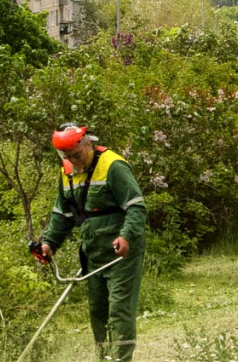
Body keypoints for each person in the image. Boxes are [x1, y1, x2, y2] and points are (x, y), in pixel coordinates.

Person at [40, 124, 147, 362]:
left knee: (119, 310)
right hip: (93, 254)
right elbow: (62, 214)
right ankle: (104, 358)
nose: (73, 161)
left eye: (76, 155)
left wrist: (126, 235)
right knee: (98, 312)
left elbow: (136, 207)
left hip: (121, 253)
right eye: (66, 156)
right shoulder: (67, 171)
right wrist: (49, 243)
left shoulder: (113, 165)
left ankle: (120, 358)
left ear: (88, 143)